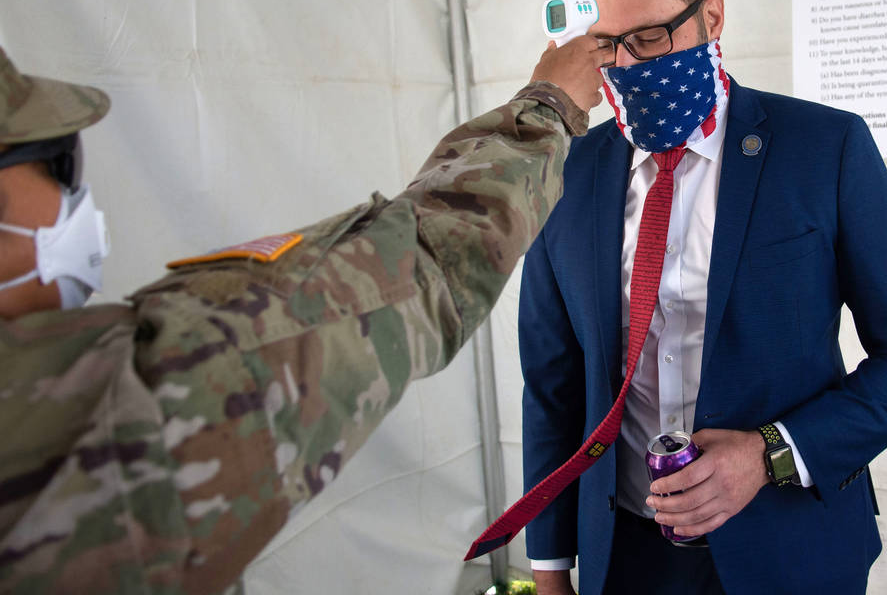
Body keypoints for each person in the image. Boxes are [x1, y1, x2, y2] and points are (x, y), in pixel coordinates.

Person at [0, 40, 605, 594]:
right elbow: (426, 262)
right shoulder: (109, 401)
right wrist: (545, 109)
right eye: (55, 164)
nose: (73, 197)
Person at [517, 0, 887, 595]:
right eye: (606, 46)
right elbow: (554, 388)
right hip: (624, 554)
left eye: (648, 37)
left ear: (712, 16)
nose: (630, 66)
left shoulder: (824, 148)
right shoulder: (563, 176)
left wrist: (770, 453)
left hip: (790, 547)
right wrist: (549, 568)